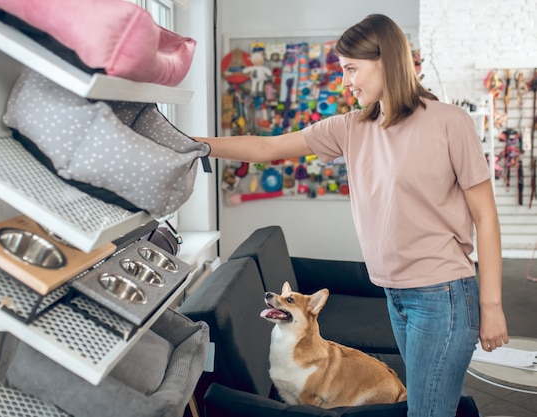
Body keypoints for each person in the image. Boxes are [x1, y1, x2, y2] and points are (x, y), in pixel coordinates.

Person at [196, 13, 509, 417]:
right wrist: (193, 144)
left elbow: (486, 217)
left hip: (443, 297)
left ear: (386, 61)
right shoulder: (352, 128)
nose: (345, 81)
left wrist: (494, 305)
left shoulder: (451, 123)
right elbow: (266, 148)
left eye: (351, 68)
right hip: (395, 296)